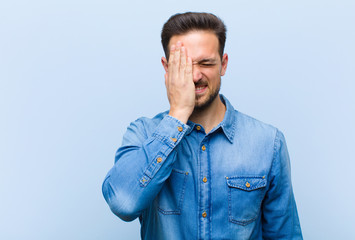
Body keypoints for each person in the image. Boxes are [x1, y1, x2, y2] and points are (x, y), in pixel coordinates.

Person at [102, 12, 303, 240]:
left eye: (206, 63)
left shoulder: (268, 142)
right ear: (167, 68)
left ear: (223, 64)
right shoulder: (142, 133)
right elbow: (123, 203)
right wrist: (178, 114)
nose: (196, 76)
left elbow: (285, 236)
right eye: (184, 66)